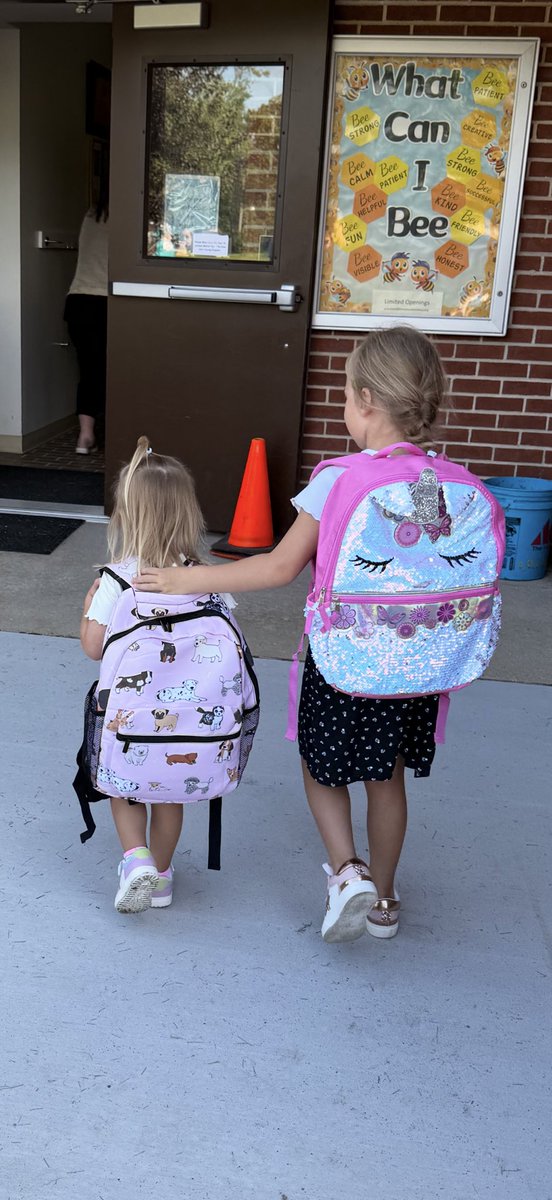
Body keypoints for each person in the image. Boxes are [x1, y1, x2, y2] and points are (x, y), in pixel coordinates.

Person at [132, 326, 448, 944]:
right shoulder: (435, 483)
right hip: (414, 664)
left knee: (322, 768)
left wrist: (186, 579)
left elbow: (278, 567)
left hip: (342, 660)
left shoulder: (338, 480)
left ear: (365, 402)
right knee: (388, 779)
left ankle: (346, 871)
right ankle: (384, 902)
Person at [80, 436, 236, 914]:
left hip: (128, 719)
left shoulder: (117, 578)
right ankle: (162, 877)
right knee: (171, 796)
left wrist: (89, 605)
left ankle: (135, 859)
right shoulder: (206, 578)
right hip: (190, 724)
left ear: (125, 515)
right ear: (189, 513)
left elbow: (92, 647)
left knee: (124, 789)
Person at [64, 183, 108, 454]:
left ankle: (85, 436)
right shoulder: (130, 218)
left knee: (89, 371)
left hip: (78, 301)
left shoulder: (92, 214)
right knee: (118, 371)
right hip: (107, 301)